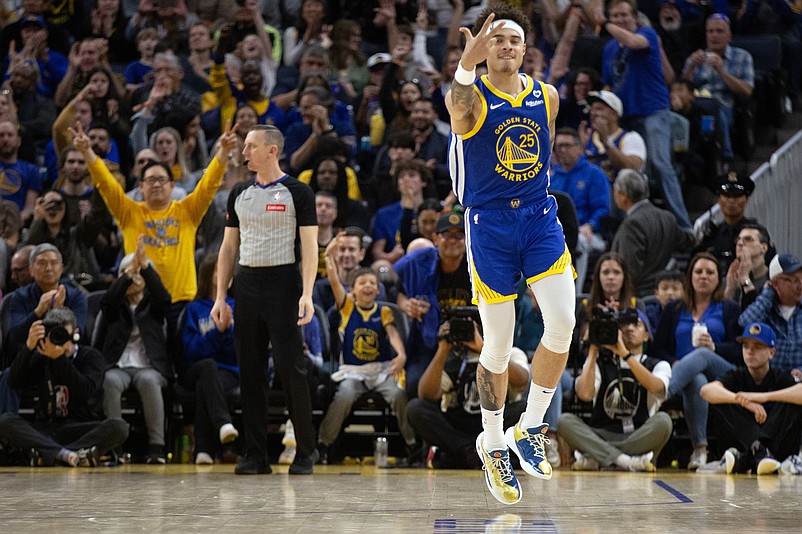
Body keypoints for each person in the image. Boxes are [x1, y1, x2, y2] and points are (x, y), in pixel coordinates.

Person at [446, 5, 576, 505]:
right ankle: (494, 443)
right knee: (497, 344)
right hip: (488, 223)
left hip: (539, 216)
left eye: (514, 39)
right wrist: (465, 64)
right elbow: (458, 115)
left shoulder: (547, 96)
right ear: (485, 48)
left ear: (526, 49)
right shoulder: (471, 96)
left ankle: (531, 428)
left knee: (562, 322)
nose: (505, 45)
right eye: (496, 38)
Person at [71, 115, 239, 347]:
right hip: (141, 300)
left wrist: (222, 154)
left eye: (162, 179)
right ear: (141, 187)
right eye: (150, 180)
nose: (157, 184)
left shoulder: (187, 211)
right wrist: (89, 153)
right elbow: (107, 185)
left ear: (172, 185)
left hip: (181, 300)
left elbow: (208, 185)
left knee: (180, 364)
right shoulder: (129, 212)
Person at [212, 124, 319, 475]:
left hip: (284, 283)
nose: (244, 153)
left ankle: (306, 452)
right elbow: (228, 248)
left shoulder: (297, 192)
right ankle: (255, 455)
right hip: (247, 284)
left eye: (251, 146)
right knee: (250, 372)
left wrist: (306, 293)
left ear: (272, 150)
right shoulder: (239, 193)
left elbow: (309, 247)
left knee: (291, 369)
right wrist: (219, 297)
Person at [317, 235, 415, 462]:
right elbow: (333, 279)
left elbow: (392, 334)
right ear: (351, 289)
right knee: (343, 396)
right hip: (354, 370)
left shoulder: (383, 311)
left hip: (380, 370)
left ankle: (412, 445)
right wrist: (329, 255)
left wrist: (401, 354)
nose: (369, 286)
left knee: (400, 395)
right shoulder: (347, 306)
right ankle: (323, 444)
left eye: (373, 283)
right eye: (363, 283)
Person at [599, 0, 692, 229]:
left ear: (634, 18)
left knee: (661, 163)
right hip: (627, 116)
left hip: (653, 111)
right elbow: (609, 84)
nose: (620, 19)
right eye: (615, 16)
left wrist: (604, 23)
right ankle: (643, 225)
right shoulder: (609, 48)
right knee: (635, 171)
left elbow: (632, 42)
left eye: (623, 15)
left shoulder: (647, 33)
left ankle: (683, 225)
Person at [0, 308, 129, 467]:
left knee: (119, 427)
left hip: (82, 429)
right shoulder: (42, 356)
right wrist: (28, 347)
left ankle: (52, 454)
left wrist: (59, 359)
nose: (60, 341)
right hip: (48, 429)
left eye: (63, 335)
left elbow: (86, 391)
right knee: (5, 421)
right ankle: (73, 455)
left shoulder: (91, 356)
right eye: (55, 335)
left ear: (75, 334)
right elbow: (14, 382)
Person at [652, 252, 742, 470]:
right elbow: (657, 349)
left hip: (723, 373)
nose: (703, 276)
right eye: (698, 272)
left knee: (702, 355)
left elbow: (741, 351)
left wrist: (714, 347)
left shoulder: (728, 308)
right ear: (690, 277)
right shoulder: (674, 309)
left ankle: (657, 395)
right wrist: (673, 362)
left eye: (710, 272)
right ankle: (700, 449)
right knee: (697, 380)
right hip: (685, 375)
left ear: (718, 278)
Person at [407, 320, 529, 470]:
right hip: (459, 425)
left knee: (525, 408)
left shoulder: (509, 352)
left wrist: (486, 349)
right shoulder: (453, 356)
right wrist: (442, 350)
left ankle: (463, 454)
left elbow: (523, 380)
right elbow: (426, 394)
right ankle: (471, 451)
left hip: (495, 422)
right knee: (416, 408)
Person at [559, 310, 672, 472]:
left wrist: (624, 354)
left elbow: (656, 387)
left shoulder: (659, 364)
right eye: (624, 324)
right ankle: (626, 461)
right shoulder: (600, 362)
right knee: (564, 421)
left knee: (664, 421)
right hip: (601, 434)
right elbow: (584, 394)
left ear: (647, 335)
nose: (629, 328)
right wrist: (592, 351)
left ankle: (598, 457)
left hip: (638, 435)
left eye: (636, 324)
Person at [98, 240, 172, 464]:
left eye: (139, 272)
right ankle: (114, 446)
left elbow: (164, 298)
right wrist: (128, 273)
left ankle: (157, 448)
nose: (135, 276)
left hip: (149, 366)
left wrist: (146, 267)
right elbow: (108, 299)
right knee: (109, 381)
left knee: (149, 381)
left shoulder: (154, 306)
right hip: (118, 365)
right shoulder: (114, 307)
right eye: (130, 273)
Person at [700, 322, 802, 475]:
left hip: (777, 447)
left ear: (771, 353)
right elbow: (706, 391)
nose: (750, 351)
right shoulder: (736, 375)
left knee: (790, 400)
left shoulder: (780, 377)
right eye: (746, 346)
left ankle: (749, 458)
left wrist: (763, 397)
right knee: (723, 399)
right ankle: (759, 451)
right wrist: (744, 402)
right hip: (743, 444)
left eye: (757, 347)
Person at [393, 212, 473, 399]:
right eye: (447, 234)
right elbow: (390, 283)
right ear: (436, 238)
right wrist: (405, 304)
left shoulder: (476, 265)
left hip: (467, 343)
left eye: (459, 236)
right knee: (413, 387)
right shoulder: (419, 259)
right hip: (426, 344)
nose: (452, 241)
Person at [179, 253, 240, 465]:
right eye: (221, 268)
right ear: (209, 274)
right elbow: (191, 350)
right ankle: (223, 423)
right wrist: (217, 332)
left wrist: (224, 332)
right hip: (196, 368)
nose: (228, 273)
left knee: (205, 385)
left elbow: (239, 351)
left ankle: (203, 450)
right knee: (207, 367)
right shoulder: (194, 309)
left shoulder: (236, 306)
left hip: (228, 372)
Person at [610, 169, 695, 297]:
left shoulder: (632, 224)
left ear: (624, 196)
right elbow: (687, 242)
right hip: (662, 293)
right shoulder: (668, 217)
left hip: (641, 297)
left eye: (615, 190)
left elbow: (629, 271)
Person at [682, 13, 754, 161]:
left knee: (716, 110)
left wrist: (722, 72)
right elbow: (681, 89)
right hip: (696, 104)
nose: (714, 35)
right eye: (710, 31)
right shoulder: (695, 57)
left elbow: (747, 90)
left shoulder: (742, 56)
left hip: (726, 106)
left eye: (720, 31)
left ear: (729, 36)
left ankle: (725, 158)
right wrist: (691, 68)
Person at [550, 127, 610, 292]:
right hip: (557, 232)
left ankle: (576, 291)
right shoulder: (553, 178)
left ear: (579, 148)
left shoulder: (595, 175)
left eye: (567, 146)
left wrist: (590, 225)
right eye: (559, 146)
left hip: (589, 233)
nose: (562, 150)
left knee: (579, 243)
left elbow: (603, 209)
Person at [7, 244, 88, 358]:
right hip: (30, 357)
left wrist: (58, 312)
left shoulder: (76, 296)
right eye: (42, 263)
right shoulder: (20, 296)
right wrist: (38, 312)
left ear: (61, 268)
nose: (49, 268)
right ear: (31, 270)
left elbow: (78, 333)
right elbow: (15, 336)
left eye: (54, 263)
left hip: (66, 356)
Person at [738, 254, 802, 378]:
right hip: (765, 381)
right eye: (793, 280)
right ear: (775, 283)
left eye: (801, 280)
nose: (799, 285)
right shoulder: (765, 308)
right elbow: (746, 324)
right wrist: (768, 294)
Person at [694, 170, 756, 272]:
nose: (731, 201)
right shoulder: (710, 235)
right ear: (719, 200)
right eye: (727, 196)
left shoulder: (756, 235)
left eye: (737, 196)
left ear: (746, 200)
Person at [723, 223, 772, 310]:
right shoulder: (728, 279)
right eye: (738, 239)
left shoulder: (772, 279)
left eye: (748, 239)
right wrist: (730, 290)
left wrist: (745, 279)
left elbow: (756, 315)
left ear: (764, 247)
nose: (740, 243)